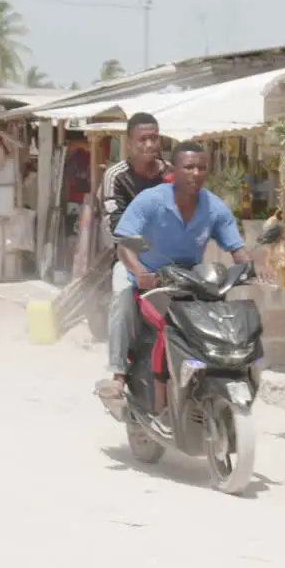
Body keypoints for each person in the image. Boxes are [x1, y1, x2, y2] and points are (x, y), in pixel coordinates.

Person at [111, 140, 253, 426]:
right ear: (174, 169)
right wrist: (139, 272)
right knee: (126, 303)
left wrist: (250, 269)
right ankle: (119, 376)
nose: (196, 173)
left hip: (190, 281)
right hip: (147, 277)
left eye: (201, 167)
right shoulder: (150, 200)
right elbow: (125, 245)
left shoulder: (214, 207)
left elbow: (236, 248)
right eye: (188, 167)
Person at [96, 113, 169, 401]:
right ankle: (118, 374)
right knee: (123, 295)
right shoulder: (117, 176)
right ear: (129, 143)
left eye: (154, 138)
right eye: (143, 139)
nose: (150, 144)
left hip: (169, 259)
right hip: (130, 260)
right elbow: (117, 226)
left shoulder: (171, 174)